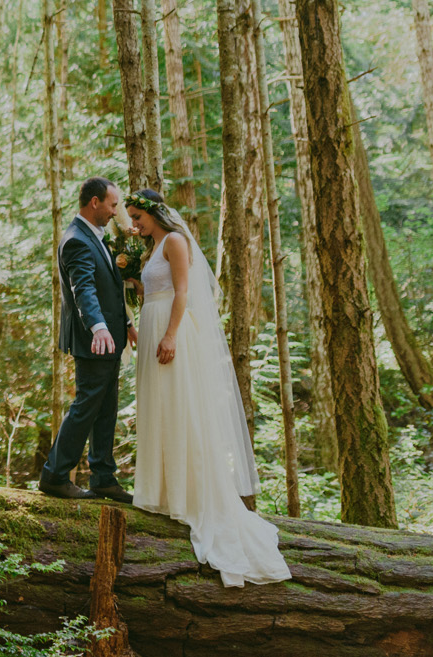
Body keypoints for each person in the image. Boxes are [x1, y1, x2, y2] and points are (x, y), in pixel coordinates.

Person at [127, 188, 290, 587]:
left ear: (155, 213)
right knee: (160, 410)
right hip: (151, 326)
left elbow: (183, 292)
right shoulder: (154, 246)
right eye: (131, 218)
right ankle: (164, 492)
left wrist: (170, 336)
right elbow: (153, 289)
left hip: (171, 331)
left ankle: (190, 496)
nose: (135, 225)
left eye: (138, 217)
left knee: (181, 409)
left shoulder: (176, 241)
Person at [38, 177, 136, 503]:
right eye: (112, 205)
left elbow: (110, 288)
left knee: (105, 407)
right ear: (94, 202)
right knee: (85, 407)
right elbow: (85, 290)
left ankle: (104, 477)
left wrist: (126, 323)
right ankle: (54, 475)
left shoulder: (97, 236)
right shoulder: (76, 240)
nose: (114, 211)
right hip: (94, 339)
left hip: (109, 338)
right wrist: (99, 327)